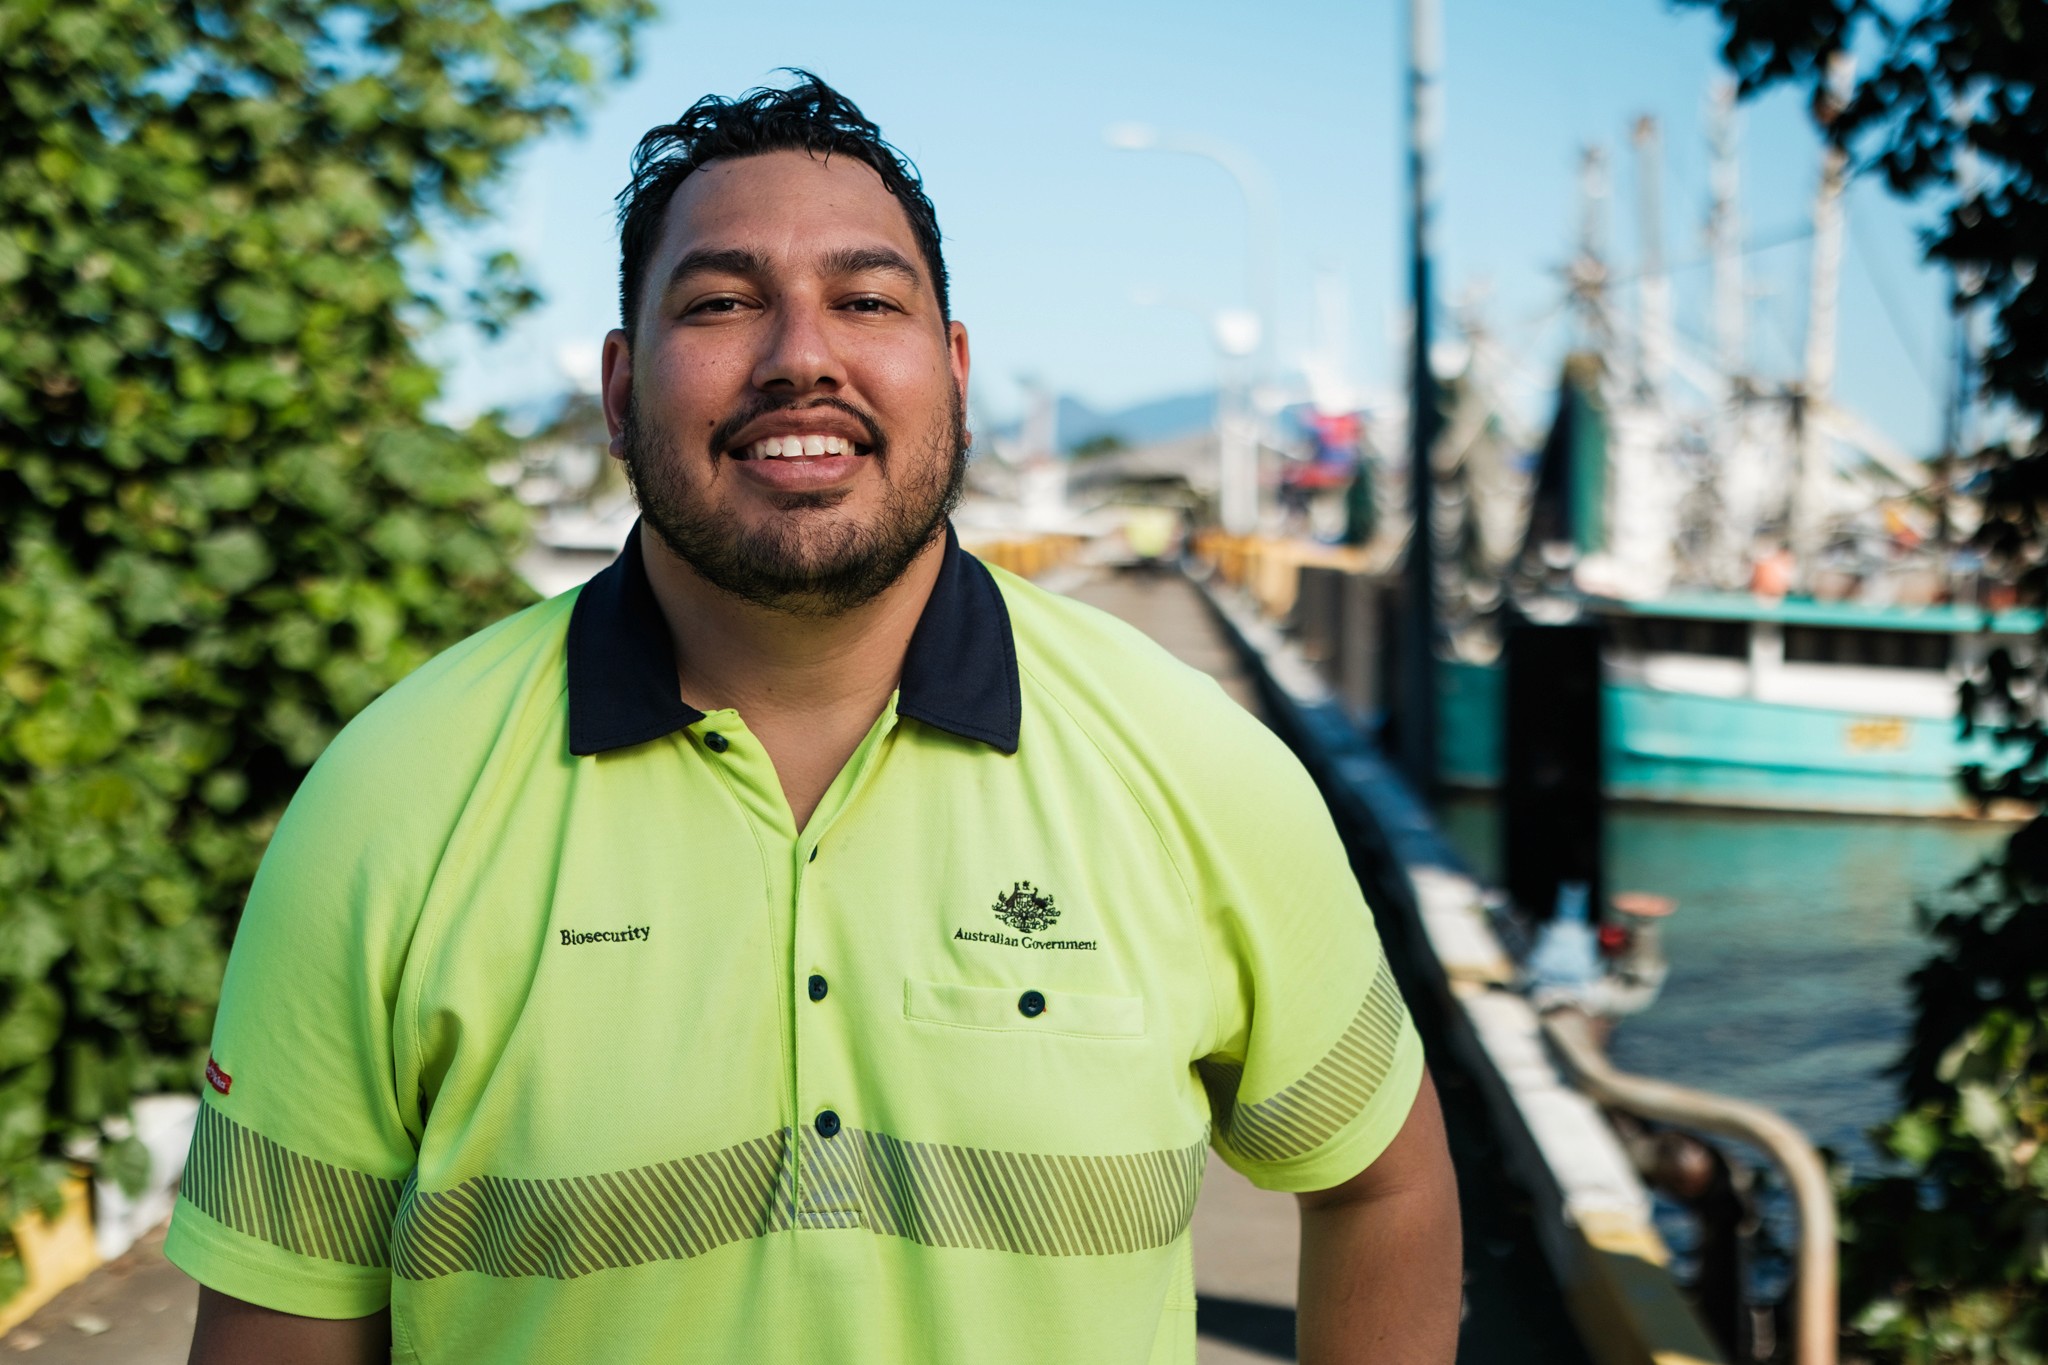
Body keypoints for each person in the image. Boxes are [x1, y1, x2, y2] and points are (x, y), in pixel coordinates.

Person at [168, 72, 1462, 1364]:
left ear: (953, 373)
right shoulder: (392, 796)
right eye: (722, 302)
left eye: (867, 300)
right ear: (621, 388)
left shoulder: (1191, 761)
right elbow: (278, 1326)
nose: (800, 356)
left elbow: (1382, 1181)